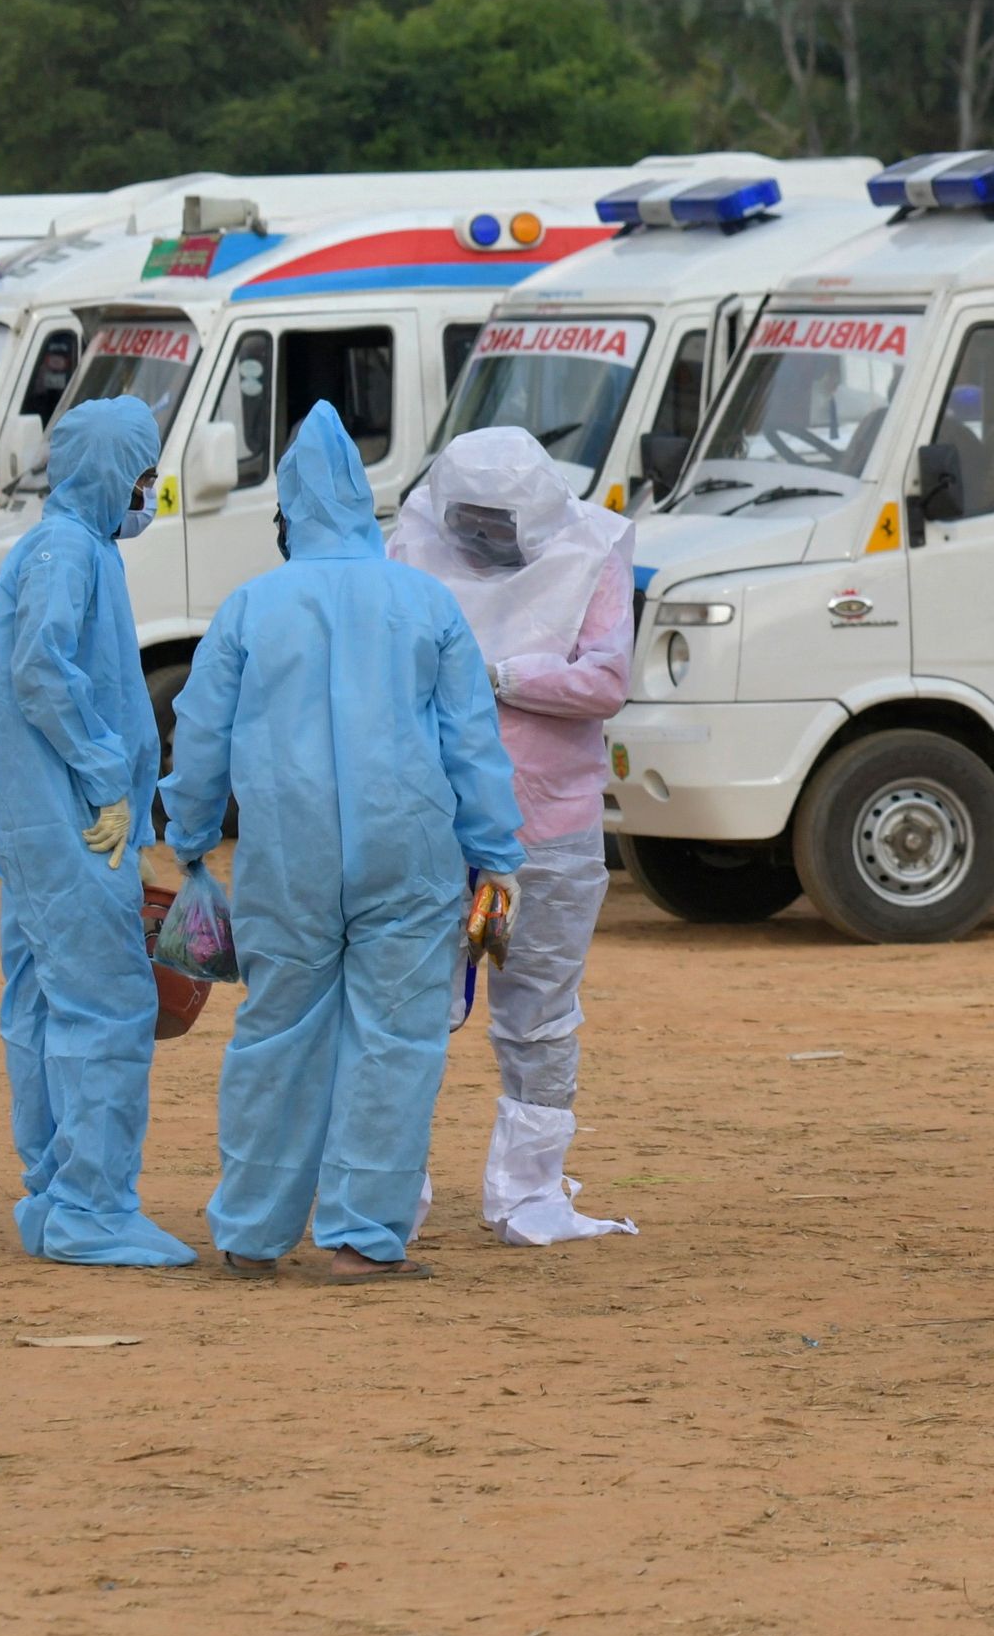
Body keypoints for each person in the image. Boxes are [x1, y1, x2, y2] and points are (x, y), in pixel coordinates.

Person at [159, 405, 524, 1279]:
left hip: (286, 863)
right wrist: (498, 856)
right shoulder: (425, 601)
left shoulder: (251, 607)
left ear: (287, 514)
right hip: (411, 858)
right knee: (396, 1044)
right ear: (366, 507)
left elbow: (200, 734)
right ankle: (362, 1238)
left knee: (276, 1033)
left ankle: (251, 1233)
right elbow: (470, 741)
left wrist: (191, 838)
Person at [386, 424, 640, 1247]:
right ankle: (389, 1187)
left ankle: (529, 1193)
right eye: (474, 518)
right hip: (432, 819)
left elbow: (605, 679)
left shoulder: (593, 551)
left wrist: (498, 677)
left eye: (503, 520)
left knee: (538, 1012)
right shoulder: (411, 545)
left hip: (551, 824)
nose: (486, 536)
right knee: (409, 1008)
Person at [0, 394, 192, 1268]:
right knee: (107, 1003)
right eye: (142, 477)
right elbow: (42, 670)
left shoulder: (69, 547)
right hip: (73, 824)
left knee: (41, 1000)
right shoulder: (69, 551)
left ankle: (54, 1195)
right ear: (112, 472)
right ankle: (91, 1210)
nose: (148, 494)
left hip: (45, 821)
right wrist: (107, 777)